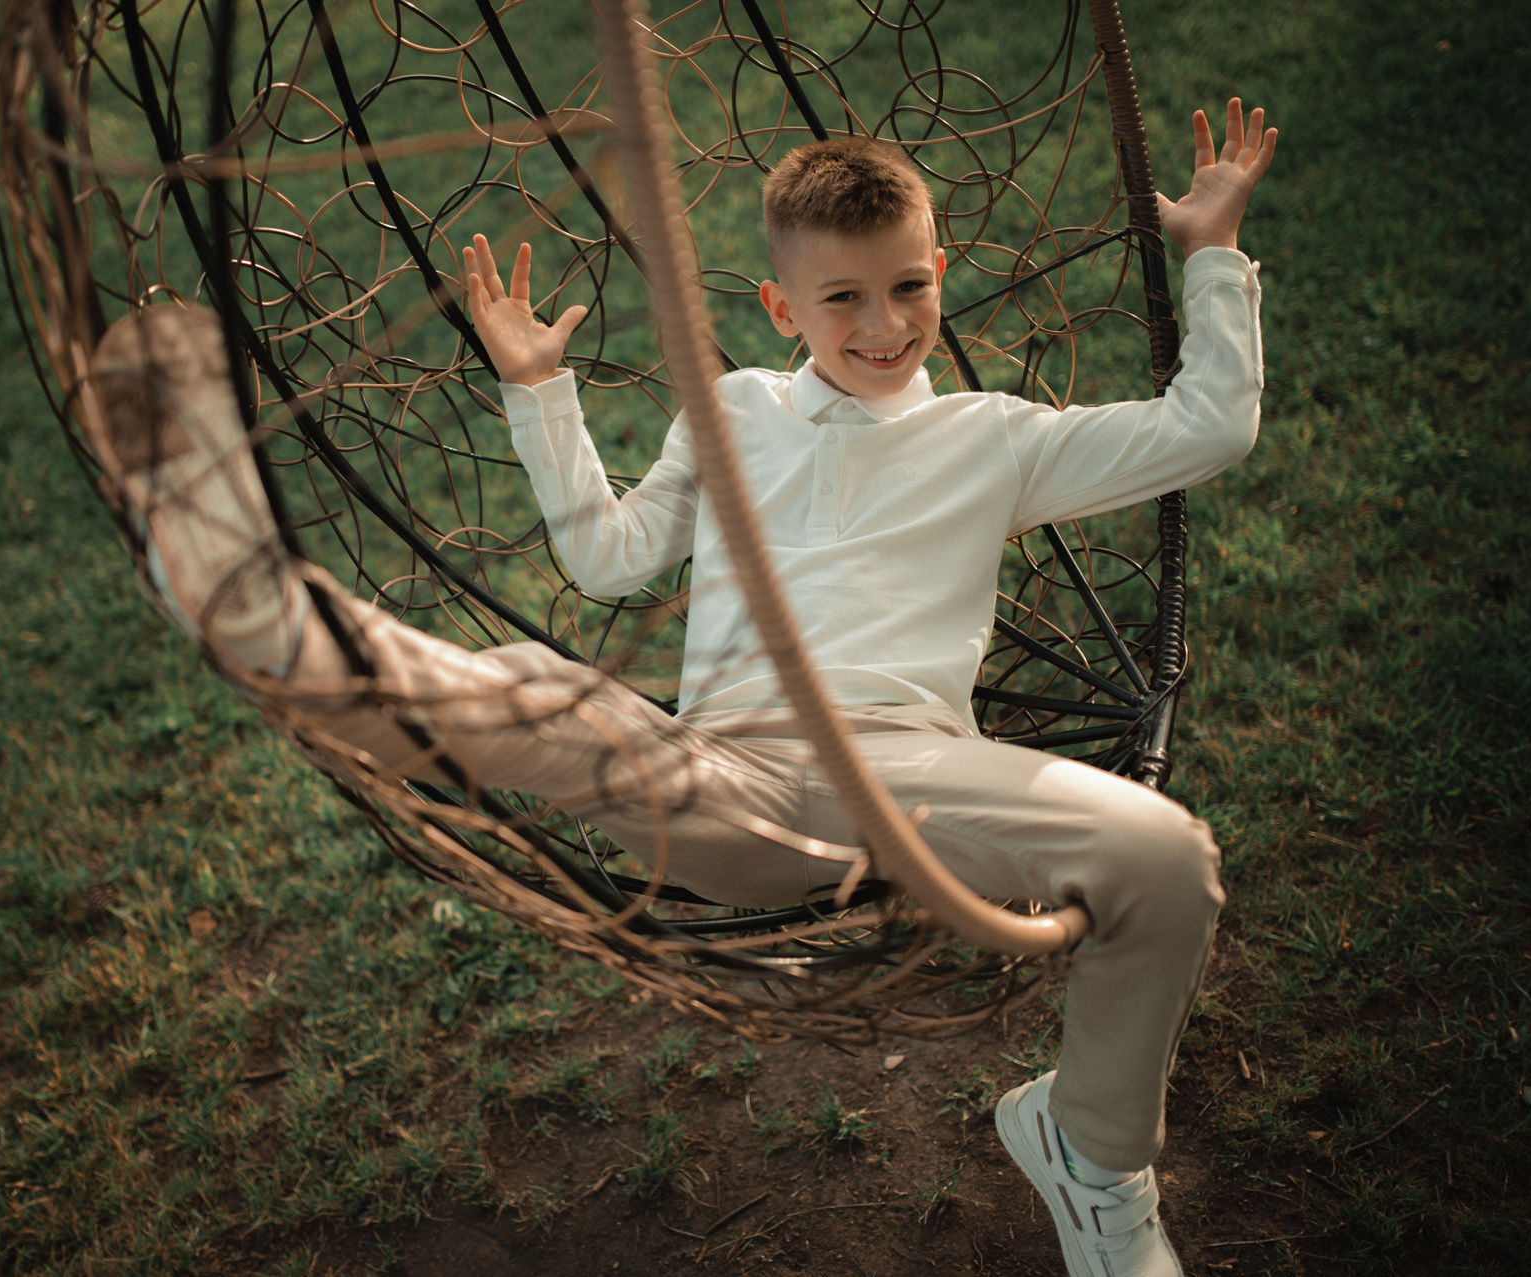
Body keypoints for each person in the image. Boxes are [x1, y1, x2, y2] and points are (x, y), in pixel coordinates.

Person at [87, 98, 1276, 1277]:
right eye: (842, 298)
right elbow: (607, 557)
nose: (882, 325)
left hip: (908, 779)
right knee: (541, 689)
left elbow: (1209, 426)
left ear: (938, 275)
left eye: (908, 287)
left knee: (1166, 856)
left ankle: (1090, 1156)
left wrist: (1214, 249)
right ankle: (274, 622)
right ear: (781, 306)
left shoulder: (991, 436)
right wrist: (539, 391)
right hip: (723, 774)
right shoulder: (732, 411)